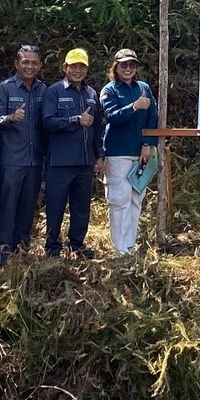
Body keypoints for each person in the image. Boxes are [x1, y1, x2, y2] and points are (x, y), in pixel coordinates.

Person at [42, 48, 104, 259]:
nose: (78, 70)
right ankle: (52, 248)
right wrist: (75, 120)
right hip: (60, 162)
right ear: (65, 68)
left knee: (81, 208)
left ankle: (76, 245)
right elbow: (48, 122)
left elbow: (97, 128)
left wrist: (100, 156)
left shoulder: (92, 94)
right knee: (56, 207)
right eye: (73, 66)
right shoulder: (54, 91)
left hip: (85, 162)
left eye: (82, 66)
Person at [100, 49, 158, 255]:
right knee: (119, 199)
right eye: (124, 65)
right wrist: (134, 106)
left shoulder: (143, 88)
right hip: (118, 152)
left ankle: (130, 247)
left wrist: (147, 144)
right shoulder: (110, 90)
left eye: (132, 65)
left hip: (140, 152)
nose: (128, 68)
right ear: (115, 67)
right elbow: (112, 116)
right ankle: (120, 250)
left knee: (136, 198)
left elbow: (153, 116)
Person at [0, 44, 46, 264]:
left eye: (34, 62)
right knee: (7, 207)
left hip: (35, 160)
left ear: (40, 65)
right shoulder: (4, 89)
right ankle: (2, 255)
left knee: (27, 208)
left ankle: (21, 252)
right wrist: (10, 118)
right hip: (11, 160)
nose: (29, 66)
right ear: (16, 63)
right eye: (25, 62)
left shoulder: (45, 90)